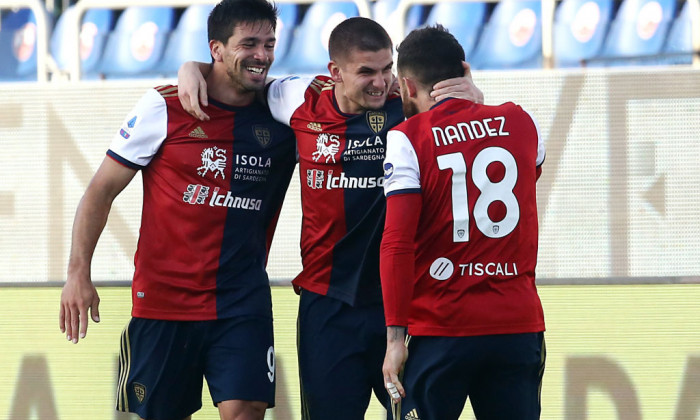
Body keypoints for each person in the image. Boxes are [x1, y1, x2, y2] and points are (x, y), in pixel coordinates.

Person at [178, 17, 483, 419]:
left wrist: (474, 95)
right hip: (329, 306)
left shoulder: (407, 104)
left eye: (387, 68)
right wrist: (193, 68)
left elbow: (468, 128)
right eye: (367, 72)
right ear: (335, 73)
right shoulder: (298, 100)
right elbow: (240, 78)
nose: (381, 82)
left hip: (405, 304)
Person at [58, 1, 297, 419]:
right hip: (163, 305)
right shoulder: (163, 107)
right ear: (216, 48)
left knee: (245, 411)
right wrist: (78, 274)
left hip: (242, 303)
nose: (262, 55)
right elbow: (99, 191)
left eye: (269, 44)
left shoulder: (283, 115)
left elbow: (348, 91)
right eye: (249, 43)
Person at [380, 25, 547, 420]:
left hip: (440, 329)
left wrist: (394, 337)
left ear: (406, 85)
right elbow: (525, 175)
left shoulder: (408, 136)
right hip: (517, 326)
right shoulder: (523, 121)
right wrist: (479, 108)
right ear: (466, 71)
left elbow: (397, 243)